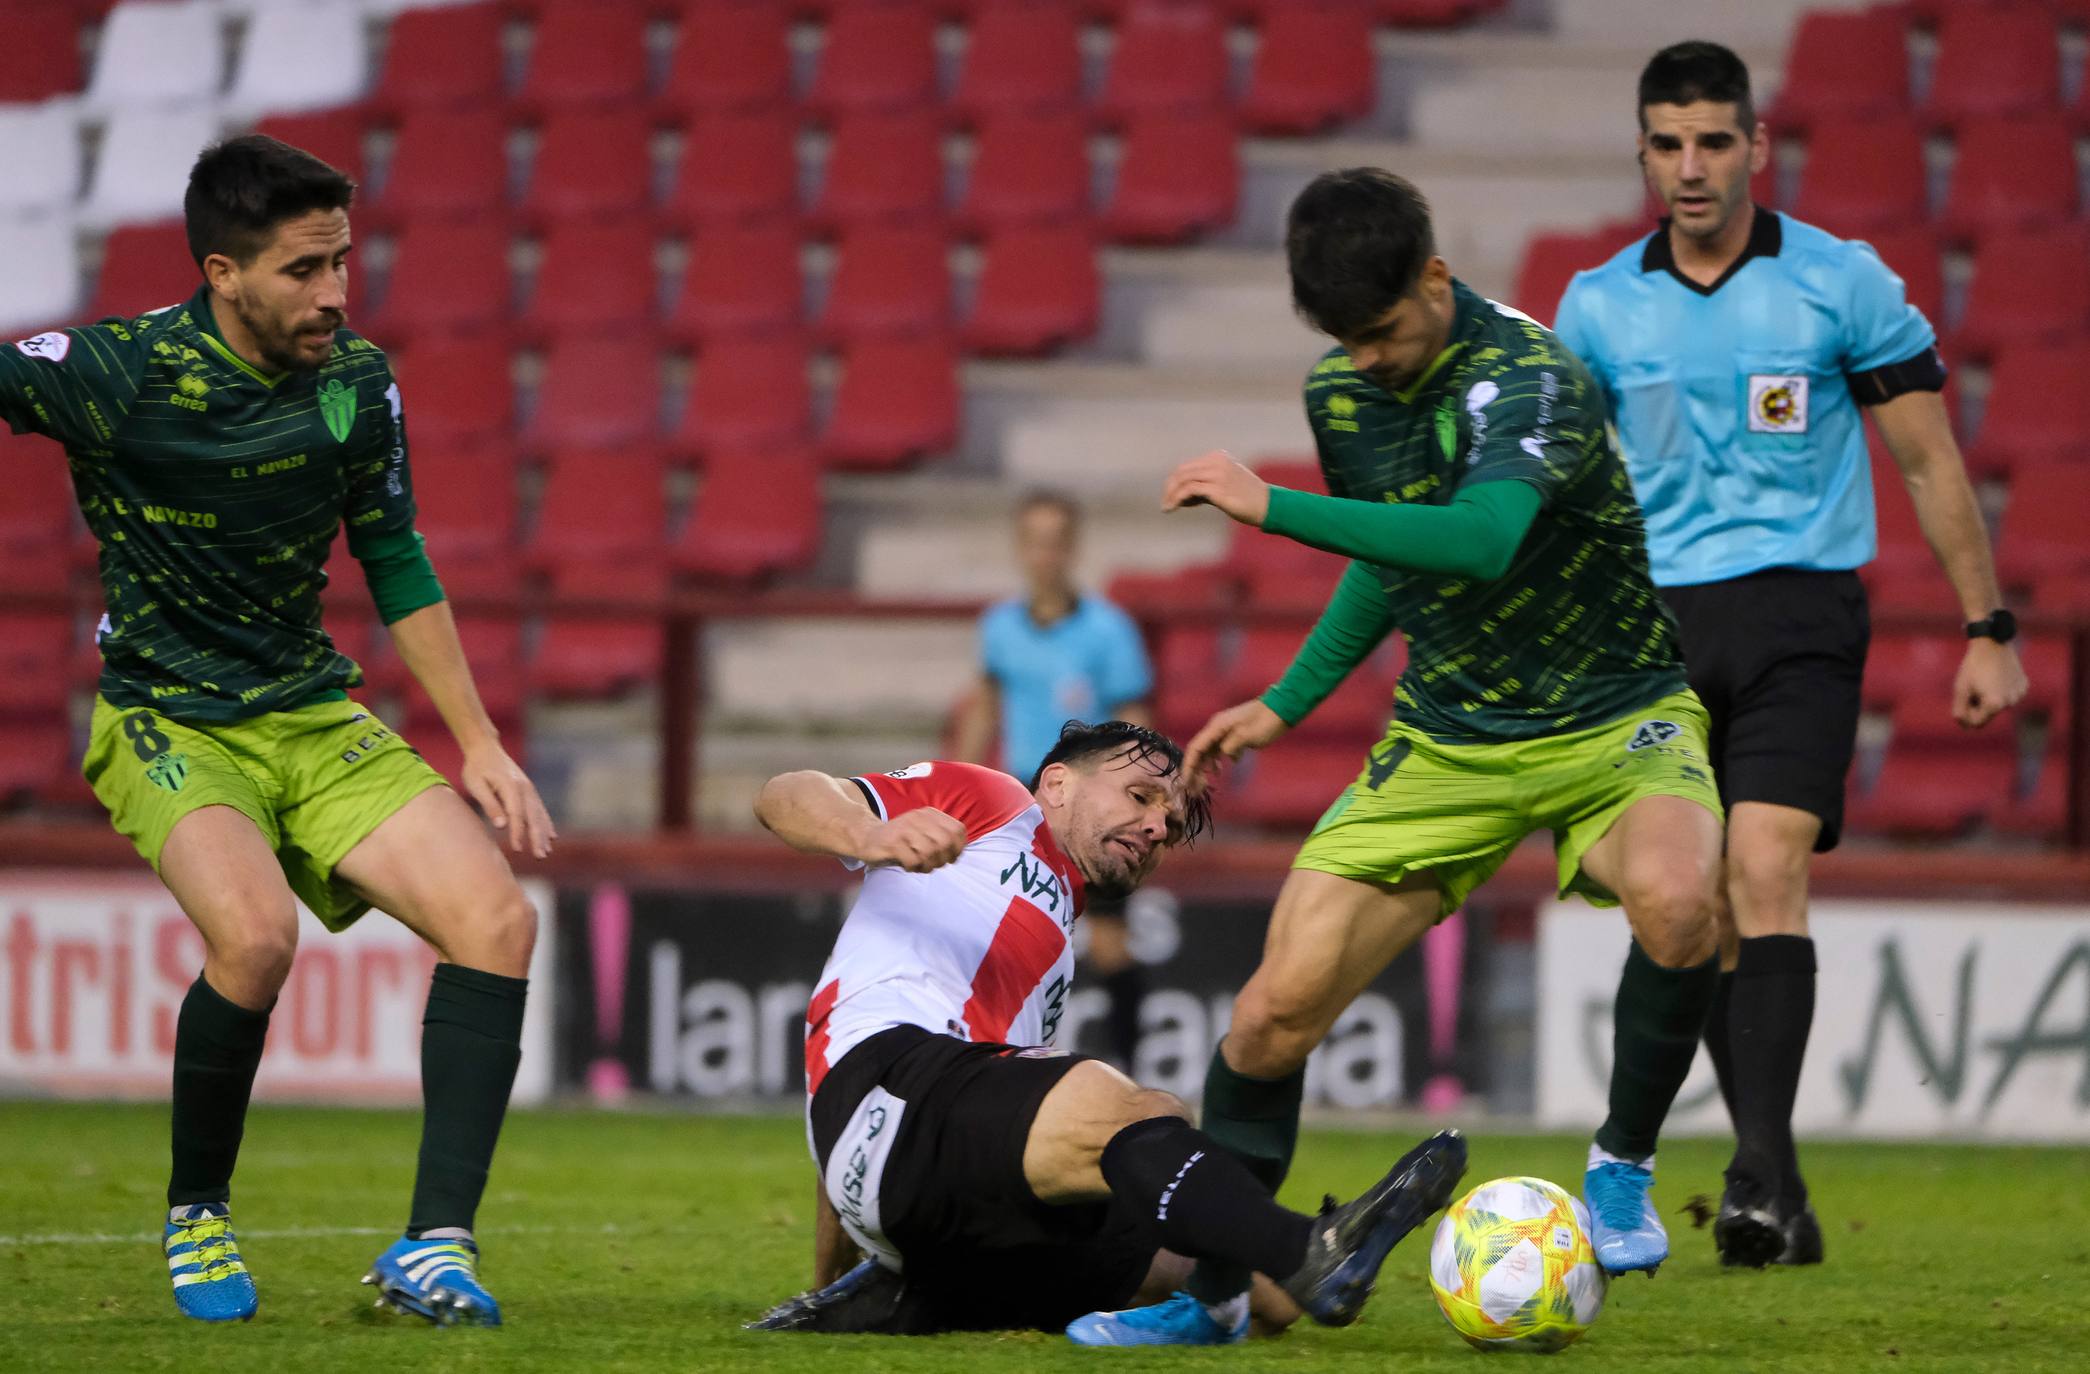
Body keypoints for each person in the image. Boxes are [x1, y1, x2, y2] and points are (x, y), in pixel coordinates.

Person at [1070, 167, 1727, 1347]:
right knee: (1269, 1018)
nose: (1363, 359)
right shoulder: (1346, 390)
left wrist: (1268, 507)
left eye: (1378, 332)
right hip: (1448, 738)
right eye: (1340, 338)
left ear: (1434, 277)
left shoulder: (1532, 378)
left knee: (1681, 904)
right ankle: (1215, 1294)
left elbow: (1476, 540)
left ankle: (1620, 1171)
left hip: (1613, 718)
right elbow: (1395, 554)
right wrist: (1287, 698)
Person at [0, 136, 553, 1326]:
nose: (335, 295)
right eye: (306, 270)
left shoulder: (356, 378)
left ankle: (433, 1249)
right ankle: (197, 1211)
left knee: (498, 921)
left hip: (308, 711)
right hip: (170, 720)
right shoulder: (114, 370)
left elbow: (394, 557)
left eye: (344, 262)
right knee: (254, 943)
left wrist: (480, 742)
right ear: (222, 271)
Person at [1551, 42, 2027, 1269]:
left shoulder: (1839, 283)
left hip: (1798, 615)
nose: (1691, 166)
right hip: (1653, 630)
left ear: (1756, 147)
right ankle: (1779, 1181)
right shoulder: (1597, 308)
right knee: (1693, 902)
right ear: (1643, 153)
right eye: (1667, 143)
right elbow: (1556, 493)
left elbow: (1926, 460)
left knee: (1763, 865)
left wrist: (1985, 629)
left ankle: (1752, 1175)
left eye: (1714, 140)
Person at [744, 720, 1467, 1341]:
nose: (1158, 827)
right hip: (884, 1097)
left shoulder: (1053, 938)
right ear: (1057, 784)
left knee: (1254, 1287)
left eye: (1171, 825)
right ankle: (1317, 1250)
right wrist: (872, 833)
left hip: (915, 1184)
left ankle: (903, 1295)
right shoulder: (994, 804)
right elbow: (784, 794)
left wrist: (823, 1284)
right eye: (1142, 797)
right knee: (1145, 1113)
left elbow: (916, 1123)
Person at [954, 490, 1156, 1069]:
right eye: (1035, 542)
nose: (1045, 554)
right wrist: (962, 790)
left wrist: (1130, 798)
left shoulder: (1108, 631)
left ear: (1071, 549)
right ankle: (1006, 1065)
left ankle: (1128, 1069)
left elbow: (1134, 721)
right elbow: (986, 707)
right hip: (1023, 803)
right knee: (1019, 939)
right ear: (1021, 548)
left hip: (1091, 806)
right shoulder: (999, 629)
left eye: (1056, 542)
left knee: (1110, 943)